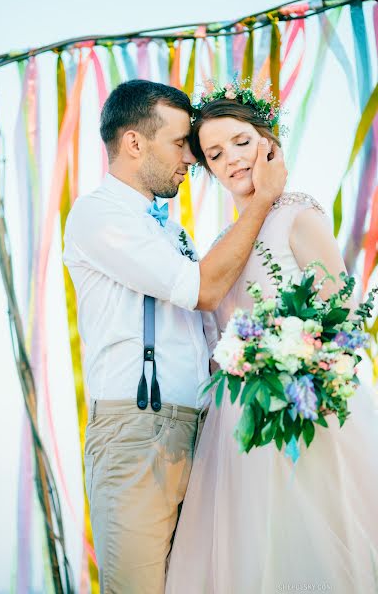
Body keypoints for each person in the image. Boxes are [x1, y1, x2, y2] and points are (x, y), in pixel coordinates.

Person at [63, 79, 287, 594]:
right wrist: (262, 202)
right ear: (134, 143)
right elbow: (201, 290)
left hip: (201, 433)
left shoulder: (172, 230)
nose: (192, 158)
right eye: (180, 143)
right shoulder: (99, 215)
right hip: (138, 433)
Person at [165, 84, 378, 593]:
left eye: (240, 142)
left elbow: (343, 316)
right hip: (232, 427)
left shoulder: (297, 215)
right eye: (215, 154)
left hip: (300, 409)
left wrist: (292, 359)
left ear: (267, 142)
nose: (232, 159)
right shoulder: (220, 245)